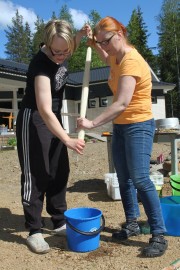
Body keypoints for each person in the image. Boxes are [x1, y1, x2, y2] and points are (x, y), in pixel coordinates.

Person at [77, 16, 168, 258]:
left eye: (105, 41)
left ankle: (158, 233)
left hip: (139, 125)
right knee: (124, 178)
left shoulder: (132, 61)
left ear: (119, 34)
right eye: (101, 43)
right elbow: (107, 57)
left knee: (140, 179)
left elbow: (122, 103)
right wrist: (92, 43)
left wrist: (92, 123)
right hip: (121, 127)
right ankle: (132, 223)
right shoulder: (115, 57)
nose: (104, 47)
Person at [16, 19, 91, 254]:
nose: (61, 56)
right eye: (56, 52)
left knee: (59, 171)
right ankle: (35, 229)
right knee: (37, 173)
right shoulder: (41, 65)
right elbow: (45, 109)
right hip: (35, 118)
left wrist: (81, 34)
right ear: (48, 44)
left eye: (65, 52)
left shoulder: (66, 46)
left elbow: (74, 42)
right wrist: (67, 139)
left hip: (53, 118)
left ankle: (58, 220)